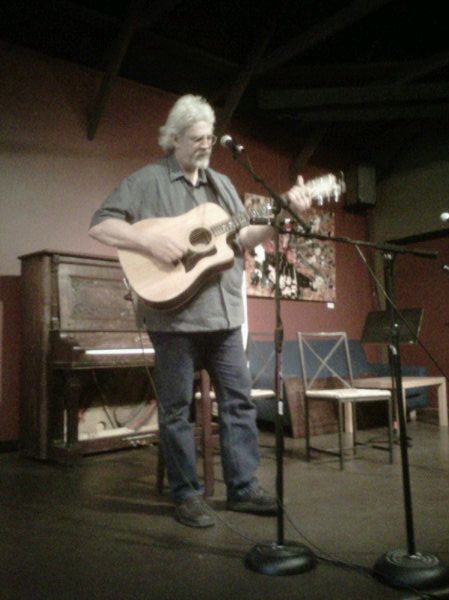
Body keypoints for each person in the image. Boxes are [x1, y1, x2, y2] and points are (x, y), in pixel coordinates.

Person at [89, 94, 311, 528]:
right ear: (173, 139)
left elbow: (243, 237)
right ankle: (186, 494)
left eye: (210, 138)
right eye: (196, 138)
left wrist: (281, 214)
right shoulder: (147, 181)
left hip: (224, 316)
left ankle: (243, 488)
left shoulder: (221, 185)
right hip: (173, 319)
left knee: (238, 403)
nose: (206, 145)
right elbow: (101, 225)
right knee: (176, 410)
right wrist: (148, 241)